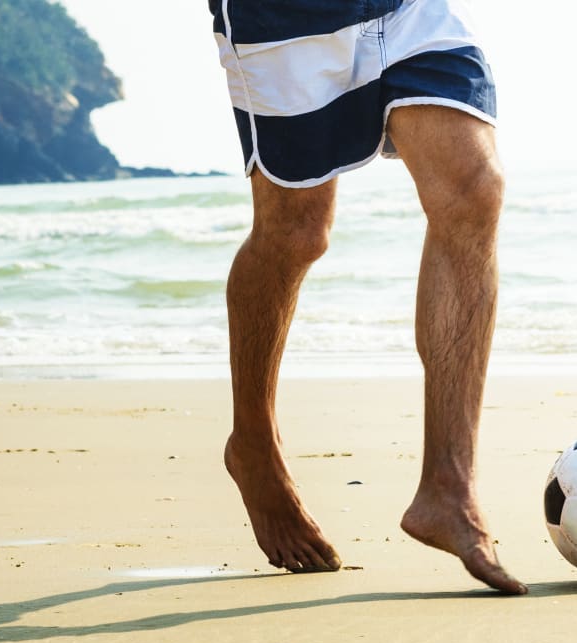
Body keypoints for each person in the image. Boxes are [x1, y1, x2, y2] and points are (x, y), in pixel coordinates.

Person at [208, 0, 527, 594]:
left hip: (409, 8)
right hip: (282, 18)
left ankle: (449, 488)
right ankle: (252, 442)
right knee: (296, 232)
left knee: (473, 188)